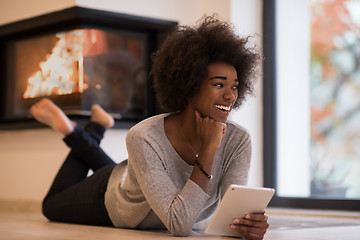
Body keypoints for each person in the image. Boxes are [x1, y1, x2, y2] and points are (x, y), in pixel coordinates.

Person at [31, 16, 268, 239]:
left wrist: (248, 225)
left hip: (136, 179)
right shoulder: (144, 135)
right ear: (189, 86)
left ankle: (96, 126)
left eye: (235, 87)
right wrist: (208, 150)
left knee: (135, 174)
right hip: (114, 199)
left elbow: (232, 217)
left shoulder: (239, 140)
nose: (230, 96)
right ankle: (77, 132)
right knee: (50, 206)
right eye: (219, 84)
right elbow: (179, 224)